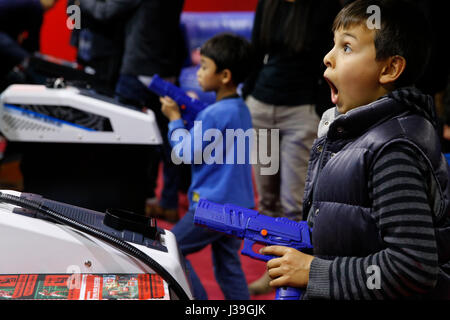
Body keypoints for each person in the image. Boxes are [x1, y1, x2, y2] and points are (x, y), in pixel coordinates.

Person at [261, 0, 450, 299]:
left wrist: (314, 271)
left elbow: (412, 269)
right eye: (332, 45)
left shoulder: (394, 149)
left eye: (346, 48)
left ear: (390, 68)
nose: (328, 58)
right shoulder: (351, 130)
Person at [242, 0, 341, 295]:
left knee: (293, 205)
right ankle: (273, 273)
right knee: (266, 202)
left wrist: (319, 108)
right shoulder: (268, 4)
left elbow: (328, 58)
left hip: (300, 112)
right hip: (261, 106)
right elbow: (256, 51)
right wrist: (248, 92)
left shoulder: (323, 7)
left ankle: (292, 277)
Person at [160, 33, 255, 300]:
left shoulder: (212, 114)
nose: (199, 72)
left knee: (171, 249)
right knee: (228, 267)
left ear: (224, 76)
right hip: (238, 205)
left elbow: (185, 153)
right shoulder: (240, 108)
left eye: (204, 67)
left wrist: (175, 120)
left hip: (213, 206)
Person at [114, 0, 188, 222]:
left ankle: (132, 200)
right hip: (167, 67)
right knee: (170, 142)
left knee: (125, 138)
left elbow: (109, 11)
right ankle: (168, 201)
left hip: (139, 67)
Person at [0, 0, 57, 90]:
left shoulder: (27, 4)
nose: (53, 6)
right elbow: (33, 45)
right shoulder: (36, 6)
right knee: (26, 59)